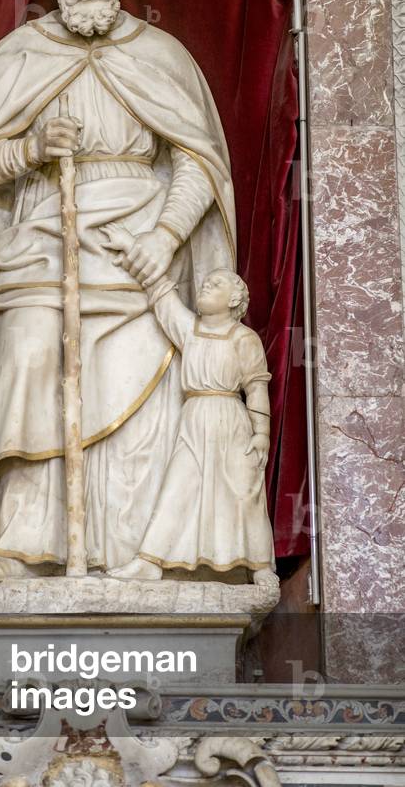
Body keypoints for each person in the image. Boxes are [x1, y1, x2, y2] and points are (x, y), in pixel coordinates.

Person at [0, 0, 236, 588]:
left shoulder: (161, 56)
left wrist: (166, 237)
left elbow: (198, 161)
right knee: (29, 349)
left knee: (143, 380)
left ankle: (135, 553)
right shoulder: (19, 56)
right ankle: (19, 544)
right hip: (45, 242)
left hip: (142, 244)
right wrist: (30, 150)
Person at [103, 222, 276, 584]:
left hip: (232, 420)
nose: (205, 286)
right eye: (206, 282)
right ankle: (150, 561)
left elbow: (256, 387)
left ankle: (260, 566)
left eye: (216, 284)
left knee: (243, 491)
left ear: (234, 300)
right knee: (179, 487)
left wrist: (261, 433)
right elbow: (161, 290)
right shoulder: (190, 330)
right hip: (195, 418)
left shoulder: (244, 339)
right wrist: (132, 245)